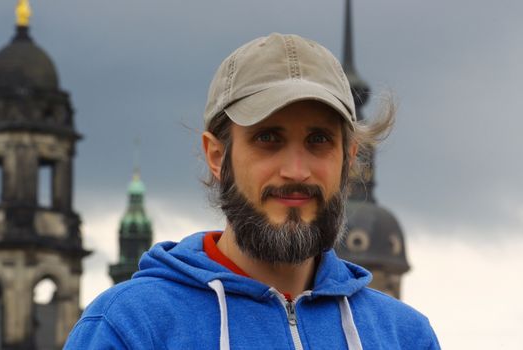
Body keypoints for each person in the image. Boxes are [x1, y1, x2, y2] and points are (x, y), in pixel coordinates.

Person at [64, 33, 440, 349]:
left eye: (319, 139)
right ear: (217, 156)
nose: (296, 171)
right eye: (267, 138)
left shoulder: (405, 337)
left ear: (349, 159)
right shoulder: (129, 328)